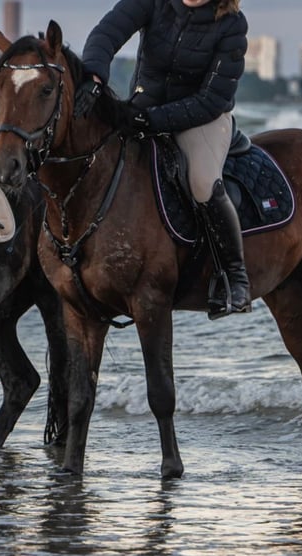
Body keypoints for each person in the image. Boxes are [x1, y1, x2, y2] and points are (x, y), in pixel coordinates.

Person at [75, 0, 252, 319]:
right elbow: (106, 33)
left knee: (201, 182)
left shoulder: (232, 26)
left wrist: (153, 119)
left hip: (201, 120)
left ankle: (234, 279)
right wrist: (94, 77)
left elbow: (212, 100)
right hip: (142, 110)